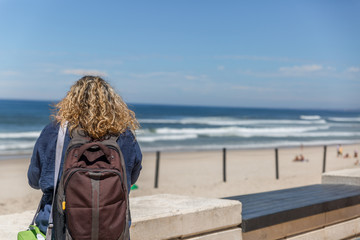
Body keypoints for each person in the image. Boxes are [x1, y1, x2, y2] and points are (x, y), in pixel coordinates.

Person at [27, 76, 142, 235]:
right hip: (112, 228)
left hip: (57, 227)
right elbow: (130, 180)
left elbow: (34, 180)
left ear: (71, 102)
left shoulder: (55, 132)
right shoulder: (125, 136)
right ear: (114, 104)